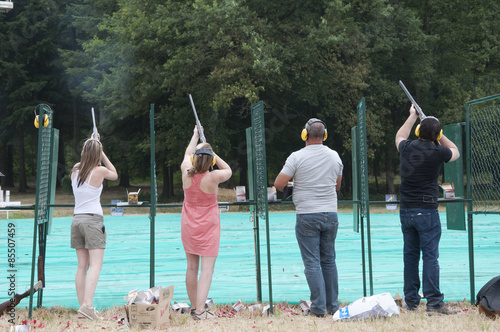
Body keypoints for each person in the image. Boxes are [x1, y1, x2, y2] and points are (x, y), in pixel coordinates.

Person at [274, 118, 343, 317]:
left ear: (305, 135)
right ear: (325, 135)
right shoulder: (335, 156)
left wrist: (297, 184)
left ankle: (318, 308)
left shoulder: (296, 157)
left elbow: (279, 184)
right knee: (329, 261)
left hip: (306, 214)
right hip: (330, 213)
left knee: (312, 262)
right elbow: (337, 186)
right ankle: (332, 307)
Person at [395, 105, 460, 315]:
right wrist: (439, 135)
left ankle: (411, 300)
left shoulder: (406, 147)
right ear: (437, 135)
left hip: (406, 210)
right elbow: (455, 151)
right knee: (430, 257)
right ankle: (434, 302)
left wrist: (412, 116)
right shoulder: (438, 150)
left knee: (410, 257)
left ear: (417, 132)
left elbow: (399, 135)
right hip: (427, 211)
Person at [180, 126, 232, 320]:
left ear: (195, 158)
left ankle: (195, 307)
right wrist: (213, 153)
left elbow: (187, 153)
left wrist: (195, 135)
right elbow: (228, 169)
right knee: (207, 269)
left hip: (188, 225)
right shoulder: (214, 177)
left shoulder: (187, 172)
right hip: (208, 227)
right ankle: (200, 311)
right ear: (210, 160)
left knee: (191, 268)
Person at [70, 135, 118, 320]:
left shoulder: (75, 170)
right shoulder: (100, 171)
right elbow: (114, 173)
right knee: (96, 265)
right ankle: (88, 306)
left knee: (82, 266)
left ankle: (83, 307)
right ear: (98, 154)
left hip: (77, 221)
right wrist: (101, 151)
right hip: (92, 221)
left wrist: (93, 145)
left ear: (83, 152)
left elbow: (83, 160)